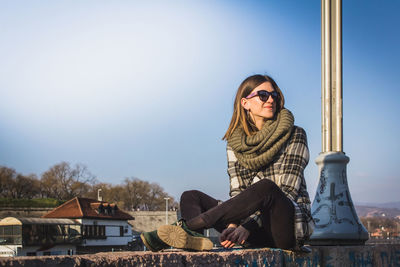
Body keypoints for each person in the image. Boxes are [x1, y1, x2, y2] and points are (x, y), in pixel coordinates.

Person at [140, 74, 314, 251]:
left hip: (286, 227)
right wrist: (232, 226)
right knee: (191, 196)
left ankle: (187, 228)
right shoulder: (235, 143)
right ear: (245, 103)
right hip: (248, 229)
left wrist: (247, 226)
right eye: (263, 95)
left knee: (267, 187)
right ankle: (195, 240)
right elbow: (238, 192)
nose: (270, 99)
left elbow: (288, 191)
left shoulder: (294, 134)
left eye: (274, 95)